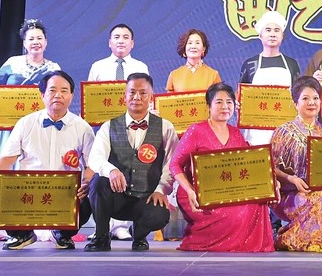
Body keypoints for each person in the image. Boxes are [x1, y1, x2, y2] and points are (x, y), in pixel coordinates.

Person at [0, 18, 62, 242]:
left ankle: (39, 222)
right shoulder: (13, 64)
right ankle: (7, 224)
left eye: (39, 38)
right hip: (10, 129)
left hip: (40, 130)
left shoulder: (53, 69)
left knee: (36, 172)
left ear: (46, 42)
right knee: (10, 172)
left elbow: (60, 95)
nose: (35, 42)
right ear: (24, 43)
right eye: (31, 39)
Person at [0, 71, 94, 250]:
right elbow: (8, 158)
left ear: (71, 96)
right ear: (42, 95)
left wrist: (86, 182)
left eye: (64, 91)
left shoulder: (83, 128)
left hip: (64, 192)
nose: (58, 95)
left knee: (86, 203)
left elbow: (91, 164)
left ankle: (62, 233)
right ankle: (22, 234)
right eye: (52, 90)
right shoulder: (25, 123)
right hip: (28, 189)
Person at [171, 82, 275, 252]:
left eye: (229, 102)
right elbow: (175, 165)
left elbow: (250, 165)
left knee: (257, 202)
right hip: (197, 193)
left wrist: (270, 182)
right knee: (232, 213)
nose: (225, 106)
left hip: (229, 191)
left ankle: (245, 245)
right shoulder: (196, 130)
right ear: (208, 106)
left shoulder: (235, 133)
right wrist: (190, 190)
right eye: (219, 102)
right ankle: (208, 241)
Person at [85, 73, 178, 251]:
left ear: (151, 97)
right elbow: (95, 158)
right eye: (132, 92)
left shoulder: (165, 127)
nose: (137, 97)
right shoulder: (109, 126)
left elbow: (171, 163)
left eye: (143, 93)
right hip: (116, 197)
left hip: (146, 196)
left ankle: (139, 235)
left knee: (160, 215)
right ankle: (101, 236)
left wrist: (161, 190)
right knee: (98, 182)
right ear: (124, 96)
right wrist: (111, 170)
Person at [270, 76, 322, 251]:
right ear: (295, 103)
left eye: (315, 98)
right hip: (289, 196)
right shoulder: (283, 132)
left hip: (321, 193)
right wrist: (292, 179)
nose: (311, 103)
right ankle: (292, 240)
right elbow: (271, 168)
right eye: (305, 98)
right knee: (321, 200)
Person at [87, 23, 150, 241]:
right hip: (106, 130)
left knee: (128, 173)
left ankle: (121, 225)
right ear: (109, 42)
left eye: (125, 37)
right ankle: (102, 224)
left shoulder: (140, 66)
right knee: (103, 174)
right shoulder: (98, 67)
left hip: (132, 129)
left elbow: (146, 96)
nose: (121, 40)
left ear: (132, 43)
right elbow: (90, 99)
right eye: (116, 37)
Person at [238, 10, 301, 145]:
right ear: (260, 35)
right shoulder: (250, 64)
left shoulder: (291, 64)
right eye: (268, 30)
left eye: (277, 30)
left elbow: (299, 94)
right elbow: (241, 95)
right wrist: (237, 103)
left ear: (282, 36)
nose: (272, 34)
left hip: (286, 130)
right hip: (256, 132)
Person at [166, 29, 222, 93]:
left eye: (197, 43)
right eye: (190, 43)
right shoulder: (174, 75)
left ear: (203, 49)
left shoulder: (213, 75)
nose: (193, 46)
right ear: (184, 48)